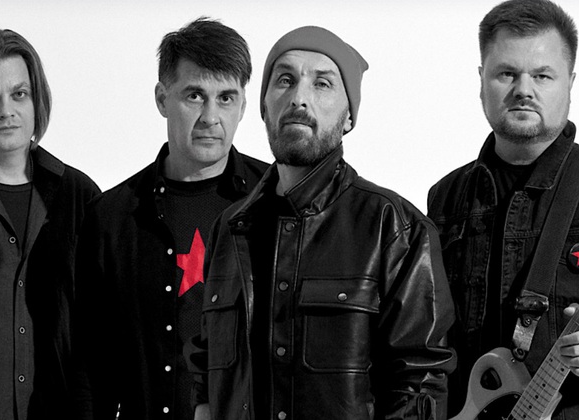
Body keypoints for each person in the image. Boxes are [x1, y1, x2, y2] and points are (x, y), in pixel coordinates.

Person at [186, 26, 455, 420]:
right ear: (263, 107)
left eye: (322, 84)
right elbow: (207, 364)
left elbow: (420, 383)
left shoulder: (395, 228)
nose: (299, 98)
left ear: (349, 117)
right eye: (285, 80)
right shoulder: (229, 227)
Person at [72, 17, 269, 420]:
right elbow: (91, 367)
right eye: (195, 95)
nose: (211, 116)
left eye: (226, 98)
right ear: (162, 99)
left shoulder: (273, 203)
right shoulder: (112, 217)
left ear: (244, 106)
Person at [427, 0, 579, 418]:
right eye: (507, 73)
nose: (523, 90)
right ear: (481, 80)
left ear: (570, 82)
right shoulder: (444, 198)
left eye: (542, 75)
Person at [0, 29, 100, 420]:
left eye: (18, 94)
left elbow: (102, 325)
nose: (6, 111)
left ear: (36, 98)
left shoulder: (79, 196)